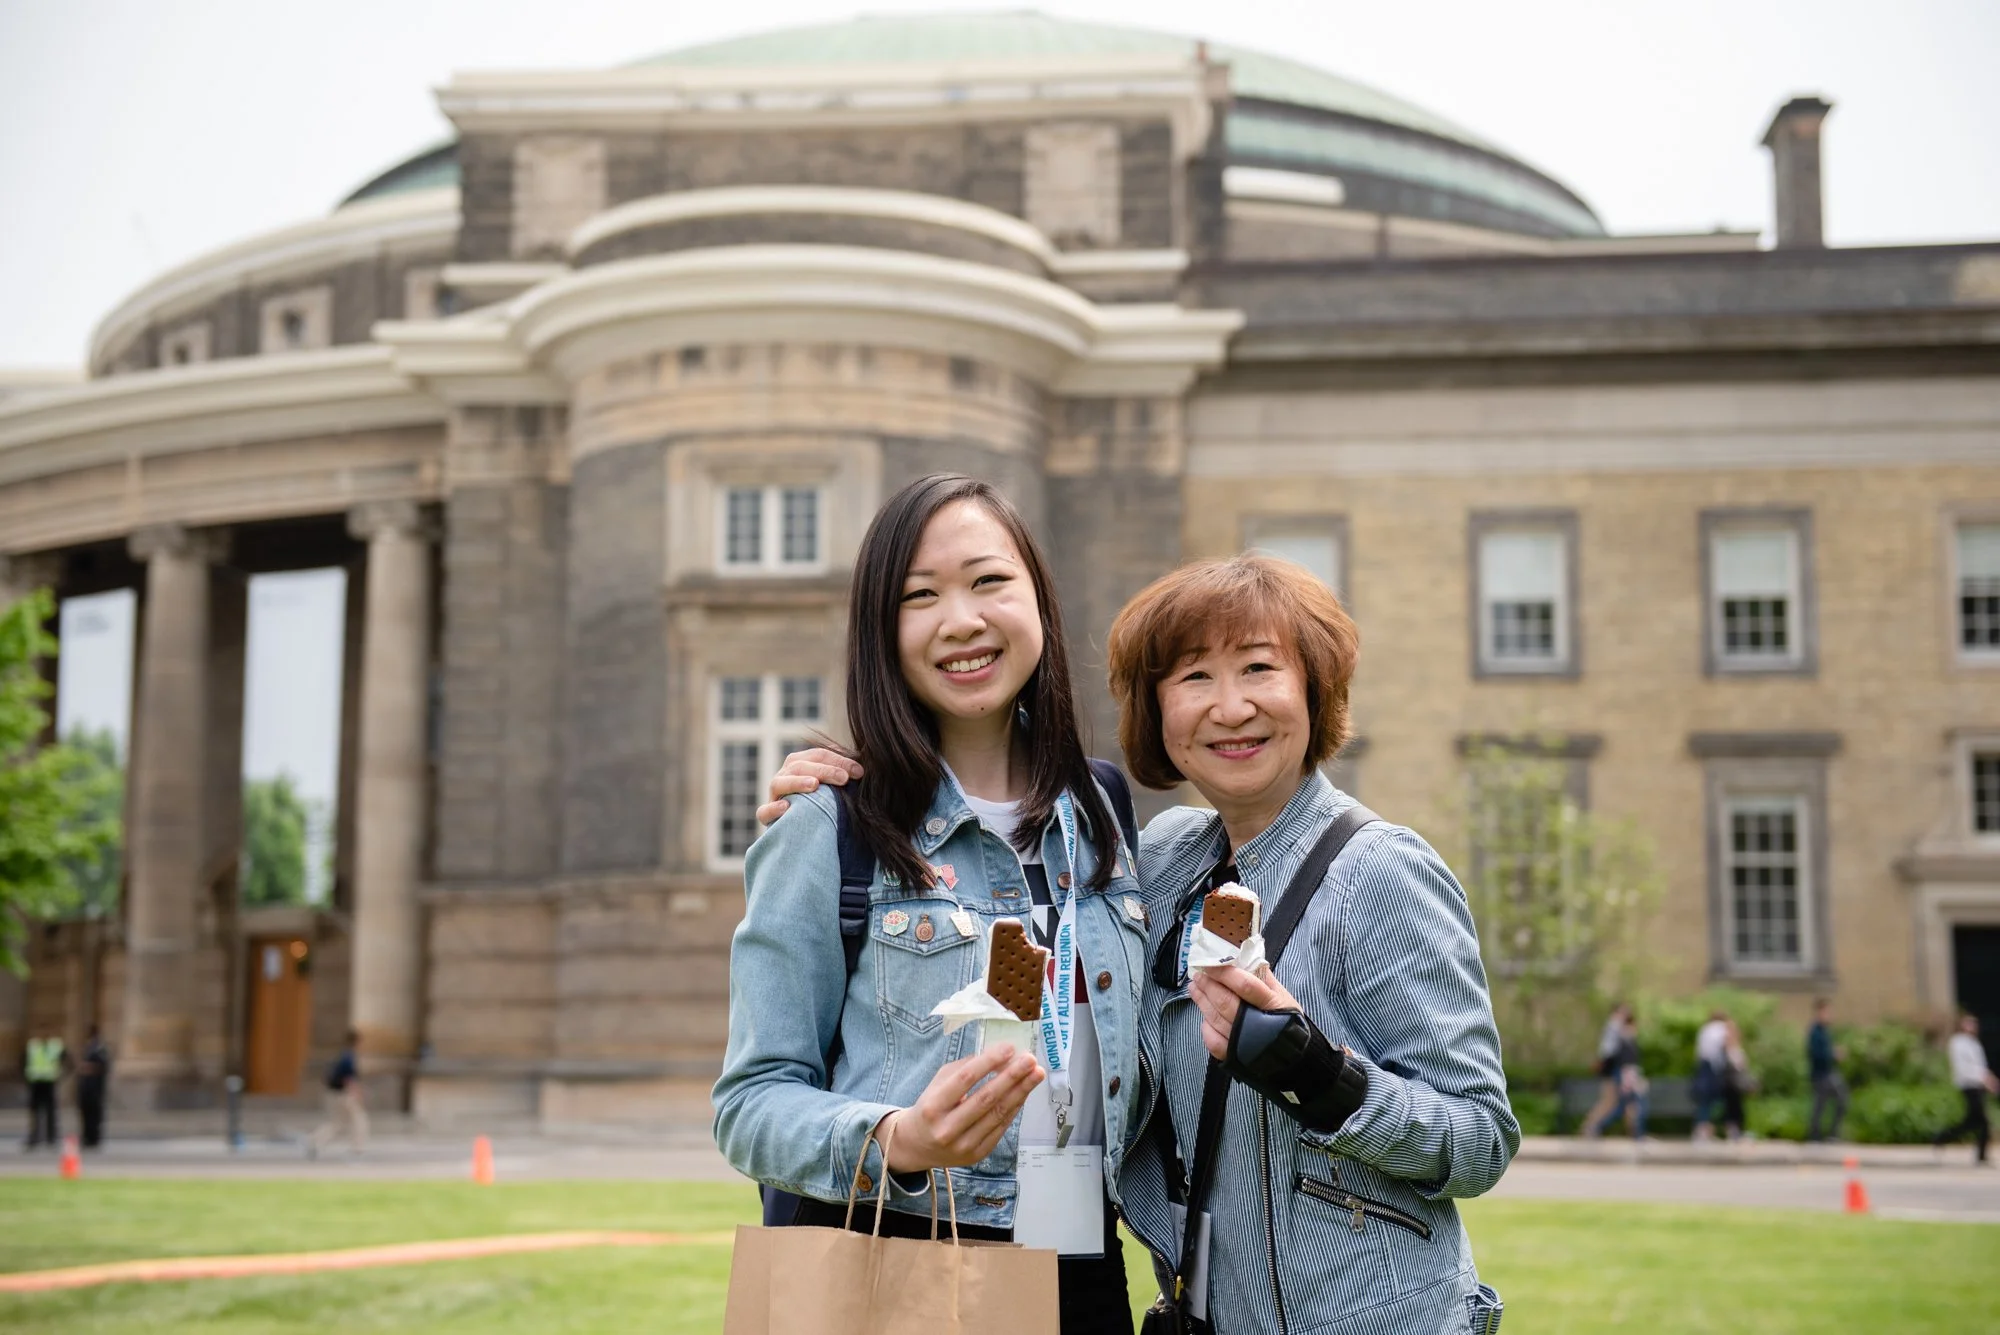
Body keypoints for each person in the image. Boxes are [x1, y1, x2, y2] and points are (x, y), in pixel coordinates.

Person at [761, 551, 1517, 1332]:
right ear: (1156, 713)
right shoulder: (1149, 858)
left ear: (1314, 690)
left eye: (1259, 669)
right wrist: (860, 783)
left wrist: (1320, 1074)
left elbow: (1480, 1137)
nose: (1230, 708)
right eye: (1193, 679)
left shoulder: (1380, 872)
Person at [714, 475, 1147, 1335]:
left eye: (989, 581)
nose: (961, 620)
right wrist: (899, 1140)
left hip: (1084, 1267)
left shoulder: (1101, 807)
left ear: (1038, 600)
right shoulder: (830, 821)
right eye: (920, 596)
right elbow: (750, 1102)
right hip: (898, 1260)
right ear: (884, 633)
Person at [1932, 1014, 1996, 1165]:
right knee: (1982, 1121)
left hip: (1978, 1085)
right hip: (1968, 1085)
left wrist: (1988, 1078)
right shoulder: (1958, 1043)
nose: (1972, 1027)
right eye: (1968, 1024)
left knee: (1973, 1121)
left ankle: (1942, 1137)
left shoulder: (1974, 1044)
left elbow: (1980, 1066)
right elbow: (1964, 1068)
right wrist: (1984, 1079)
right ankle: (1980, 1154)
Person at [1585, 1011, 1648, 1141]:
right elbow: (1626, 1064)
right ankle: (1598, 1126)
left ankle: (1637, 1135)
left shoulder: (1626, 1041)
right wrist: (1632, 1081)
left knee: (1625, 1107)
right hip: (1627, 1077)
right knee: (1630, 1105)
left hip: (1628, 1076)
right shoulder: (1622, 1042)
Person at [309, 1029, 367, 1158]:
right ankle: (358, 1147)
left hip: (334, 1093)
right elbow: (349, 1078)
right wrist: (357, 1093)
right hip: (344, 1094)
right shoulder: (349, 1057)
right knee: (359, 1119)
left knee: (336, 1122)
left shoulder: (342, 1054)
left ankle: (315, 1140)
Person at [1580, 1003, 1631, 1137]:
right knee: (1608, 1099)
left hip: (1611, 1067)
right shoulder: (1614, 1026)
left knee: (1611, 1100)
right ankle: (1589, 1126)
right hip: (1611, 1067)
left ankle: (1591, 1126)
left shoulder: (1614, 1027)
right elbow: (1607, 1050)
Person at [1805, 999, 1847, 1144]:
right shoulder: (1815, 1032)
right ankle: (1818, 1134)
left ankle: (1823, 1134)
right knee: (1831, 1101)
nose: (1829, 1015)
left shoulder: (1824, 1031)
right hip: (1822, 1074)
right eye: (1827, 1012)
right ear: (1819, 1012)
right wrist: (1833, 1054)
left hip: (1828, 1072)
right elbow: (1816, 1054)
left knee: (1825, 1103)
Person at [23, 1032, 70, 1149]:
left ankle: (51, 1137)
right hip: (36, 1083)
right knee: (35, 1112)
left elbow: (68, 1061)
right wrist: (26, 1078)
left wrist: (61, 1076)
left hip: (49, 1083)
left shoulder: (55, 1047)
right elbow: (23, 1062)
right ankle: (35, 1137)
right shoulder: (33, 1046)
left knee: (50, 1112)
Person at [1691, 1009, 1729, 1141]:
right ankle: (1713, 1128)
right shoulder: (1722, 1029)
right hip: (1715, 1068)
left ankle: (1703, 1127)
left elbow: (1699, 1052)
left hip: (1702, 1067)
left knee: (1704, 1101)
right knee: (1718, 1100)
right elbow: (1724, 1049)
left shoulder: (1705, 1029)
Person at [76, 1024, 111, 1150]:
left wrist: (88, 1067)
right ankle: (87, 1137)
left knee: (94, 1114)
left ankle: (93, 1138)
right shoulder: (88, 1049)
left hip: (95, 1088)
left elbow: (103, 1066)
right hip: (87, 1087)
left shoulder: (100, 1049)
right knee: (86, 1113)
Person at [1720, 1018, 1755, 1141]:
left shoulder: (1737, 1047)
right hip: (1730, 1082)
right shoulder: (1725, 1048)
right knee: (1731, 1107)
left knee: (1738, 1108)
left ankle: (1737, 1131)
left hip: (1738, 1082)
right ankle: (1732, 1131)